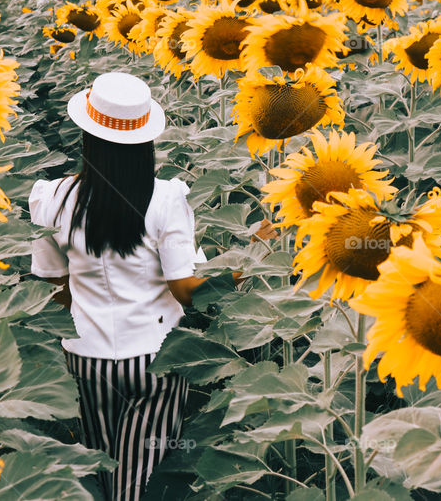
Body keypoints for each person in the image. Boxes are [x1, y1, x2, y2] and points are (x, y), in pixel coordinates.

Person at [29, 72, 271, 500]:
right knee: (140, 476)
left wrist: (84, 315)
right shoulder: (165, 198)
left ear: (88, 137)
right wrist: (250, 261)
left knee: (101, 463)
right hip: (153, 361)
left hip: (86, 360)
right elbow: (187, 289)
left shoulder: (55, 199)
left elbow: (51, 286)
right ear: (145, 141)